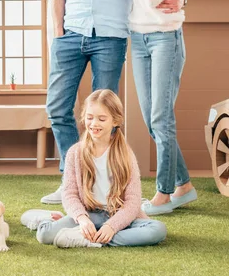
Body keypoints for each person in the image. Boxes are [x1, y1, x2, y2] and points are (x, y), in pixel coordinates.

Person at [42, 0, 183, 204]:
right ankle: (71, 181)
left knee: (104, 117)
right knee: (58, 108)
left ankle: (104, 185)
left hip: (111, 37)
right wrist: (57, 29)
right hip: (69, 34)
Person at [21, 89, 167, 248]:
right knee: (45, 235)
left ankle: (90, 240)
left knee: (157, 230)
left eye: (102, 119)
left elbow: (133, 202)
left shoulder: (126, 154)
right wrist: (82, 219)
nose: (94, 124)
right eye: (89, 118)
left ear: (115, 121)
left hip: (121, 216)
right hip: (90, 215)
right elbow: (69, 194)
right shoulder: (75, 153)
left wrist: (112, 226)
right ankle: (47, 219)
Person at [129, 0, 197, 215]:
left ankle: (164, 193)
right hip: (137, 37)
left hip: (164, 38)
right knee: (150, 118)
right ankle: (184, 185)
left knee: (161, 117)